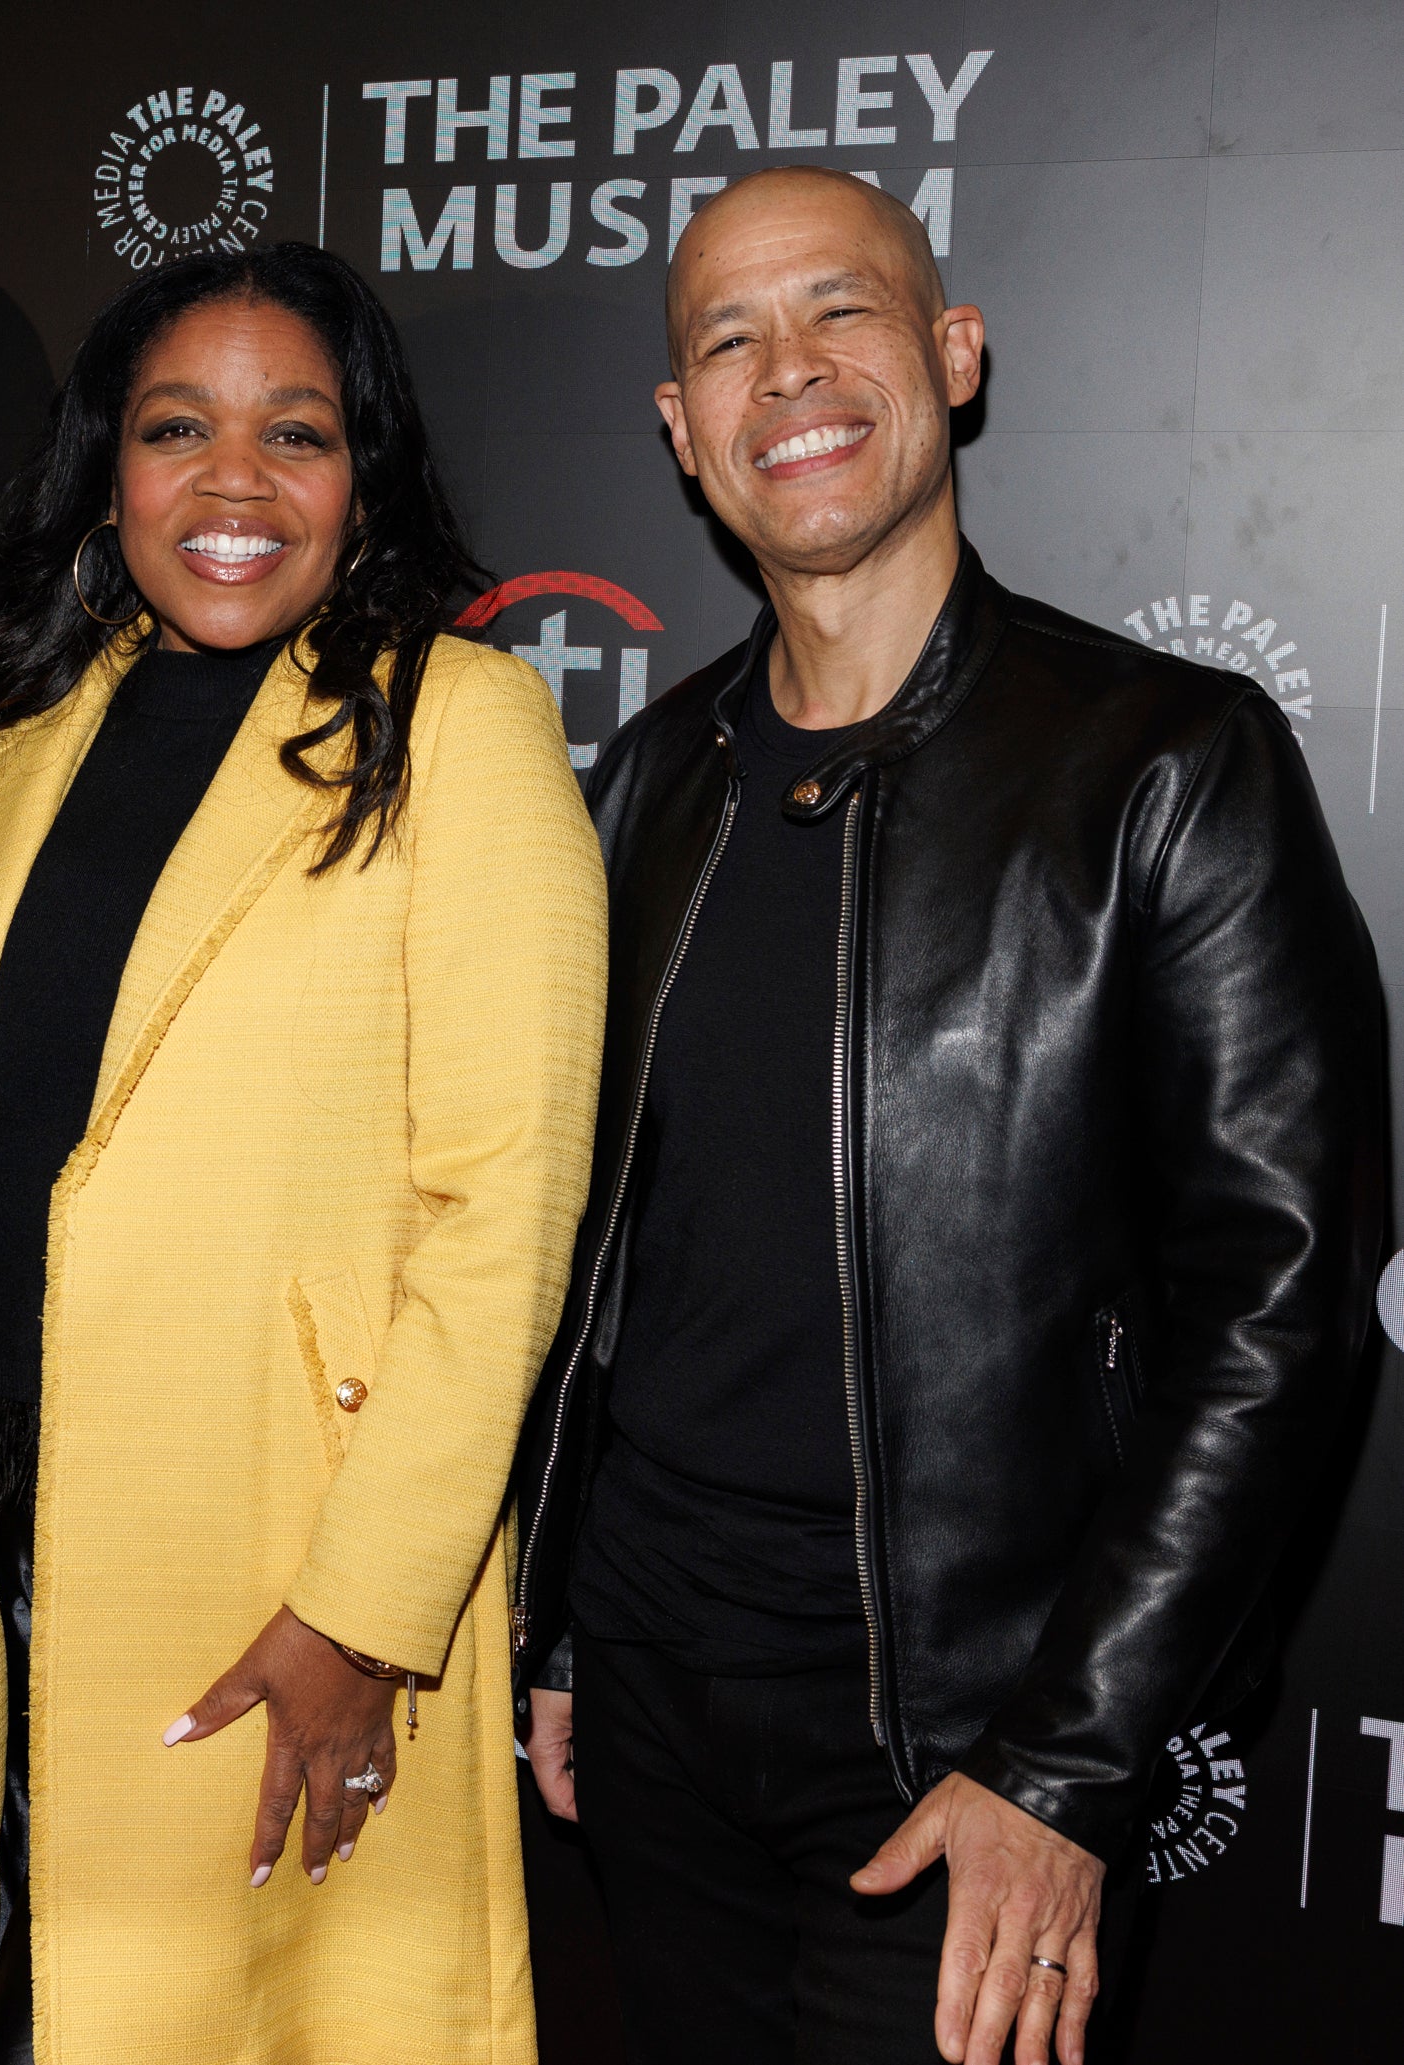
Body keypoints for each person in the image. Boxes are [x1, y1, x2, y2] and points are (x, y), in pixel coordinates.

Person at [509, 166, 1384, 2065]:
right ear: (678, 432)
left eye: (841, 310)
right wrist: (568, 1626)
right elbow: (605, 1248)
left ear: (951, 352)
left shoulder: (1166, 760)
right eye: (725, 339)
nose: (786, 373)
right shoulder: (652, 774)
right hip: (651, 1711)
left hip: (966, 1749)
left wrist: (1067, 1762)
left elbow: (1280, 1307)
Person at [0, 241, 604, 2063]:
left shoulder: (459, 730)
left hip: (285, 1554)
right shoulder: (18, 736)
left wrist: (363, 1612)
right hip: (11, 1544)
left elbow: (502, 1219)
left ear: (367, 473)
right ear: (109, 468)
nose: (233, 484)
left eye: (297, 434)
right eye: (177, 429)